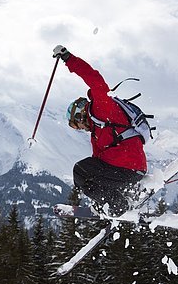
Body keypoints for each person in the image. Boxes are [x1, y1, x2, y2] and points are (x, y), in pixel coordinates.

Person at [53, 45, 147, 216]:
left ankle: (118, 205)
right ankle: (117, 202)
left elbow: (94, 79)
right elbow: (98, 162)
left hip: (128, 167)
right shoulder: (96, 133)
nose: (80, 129)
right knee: (85, 175)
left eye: (76, 125)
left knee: (80, 171)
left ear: (80, 115)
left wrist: (69, 59)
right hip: (127, 170)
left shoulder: (102, 109)